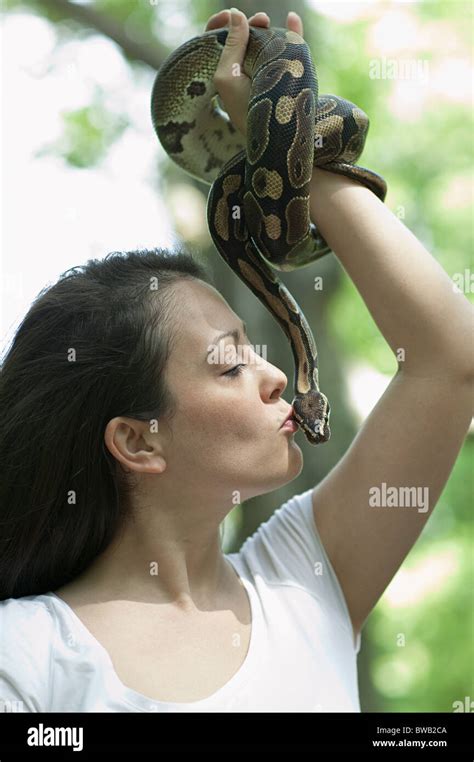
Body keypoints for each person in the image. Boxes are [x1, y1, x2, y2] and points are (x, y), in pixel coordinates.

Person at [0, 9, 472, 714]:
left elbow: (449, 360)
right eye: (229, 365)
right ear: (135, 438)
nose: (276, 377)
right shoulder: (26, 656)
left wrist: (281, 141)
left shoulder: (308, 574)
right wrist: (284, 142)